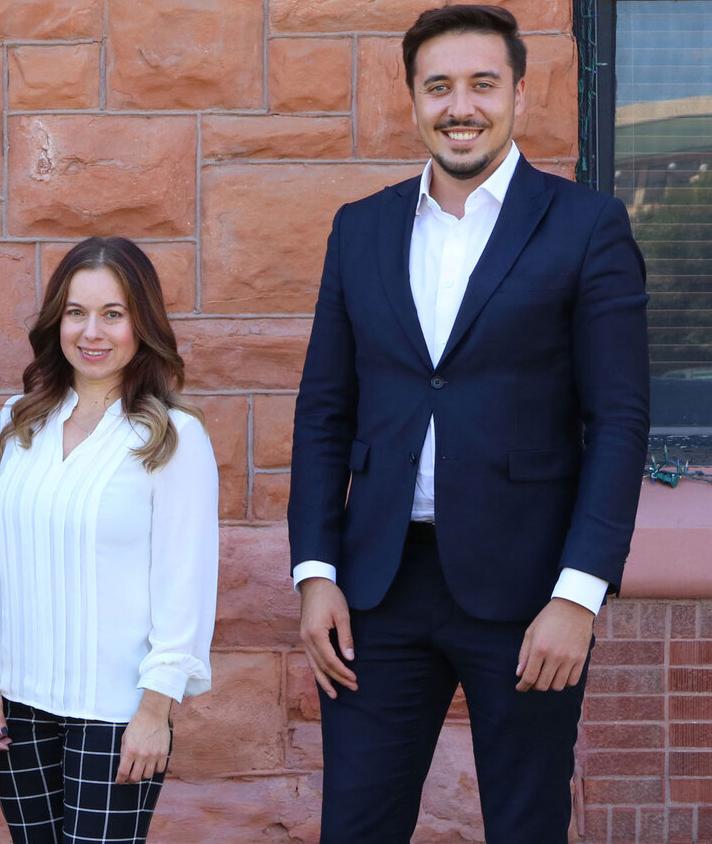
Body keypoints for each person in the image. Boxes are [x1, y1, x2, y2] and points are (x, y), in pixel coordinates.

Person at [287, 6, 649, 843]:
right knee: (356, 824)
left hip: (530, 595)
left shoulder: (587, 226)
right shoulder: (360, 228)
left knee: (525, 825)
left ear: (519, 93)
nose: (462, 105)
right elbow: (323, 411)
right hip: (376, 590)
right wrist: (315, 572)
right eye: (438, 85)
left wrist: (579, 595)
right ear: (413, 100)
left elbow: (620, 421)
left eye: (483, 84)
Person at [0, 236, 219, 844]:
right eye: (76, 312)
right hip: (15, 703)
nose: (92, 332)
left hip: (118, 713)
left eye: (113, 314)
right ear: (56, 321)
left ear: (141, 323)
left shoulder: (173, 437)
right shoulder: (18, 423)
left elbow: (185, 585)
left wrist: (156, 711)